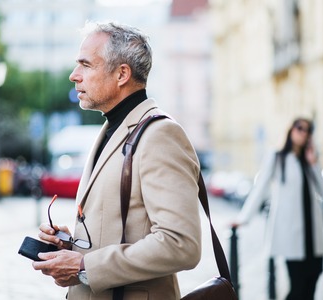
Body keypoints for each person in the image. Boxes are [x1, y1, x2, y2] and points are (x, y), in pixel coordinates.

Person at [32, 21, 202, 300]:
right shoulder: (114, 127)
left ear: (122, 74)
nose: (74, 75)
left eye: (86, 65)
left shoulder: (160, 134)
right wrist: (72, 248)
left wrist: (86, 265)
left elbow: (181, 244)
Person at [232, 118, 323, 300]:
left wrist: (314, 163)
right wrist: (243, 218)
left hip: (313, 236)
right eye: (300, 128)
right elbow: (260, 188)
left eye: (308, 130)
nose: (303, 133)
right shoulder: (276, 156)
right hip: (293, 235)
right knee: (297, 288)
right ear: (290, 130)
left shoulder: (310, 159)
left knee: (311, 285)